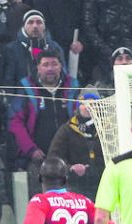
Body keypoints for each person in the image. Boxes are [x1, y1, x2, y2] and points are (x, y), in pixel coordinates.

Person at [7, 49, 79, 189]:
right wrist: (30, 149)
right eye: (45, 65)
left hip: (69, 160)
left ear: (61, 66)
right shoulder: (27, 89)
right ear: (38, 68)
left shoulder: (72, 87)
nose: (50, 68)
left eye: (54, 64)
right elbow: (15, 122)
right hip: (38, 160)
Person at [1, 9, 67, 89]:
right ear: (24, 26)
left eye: (39, 22)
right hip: (22, 94)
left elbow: (64, 76)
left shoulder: (54, 47)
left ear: (44, 26)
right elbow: (8, 81)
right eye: (30, 22)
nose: (35, 26)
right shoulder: (11, 49)